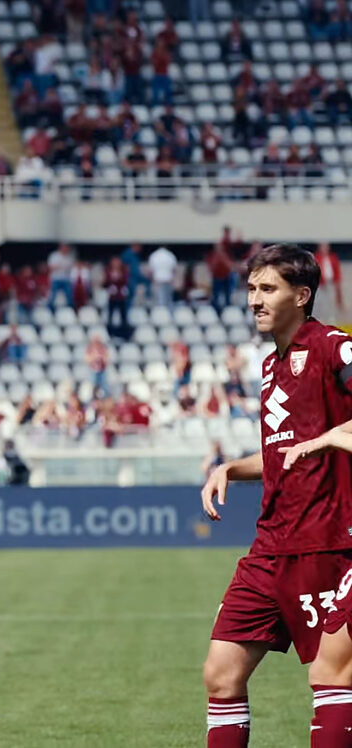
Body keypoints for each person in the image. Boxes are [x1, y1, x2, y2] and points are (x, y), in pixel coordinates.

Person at [199, 244, 352, 747]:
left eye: (268, 289)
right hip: (270, 549)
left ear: (302, 295)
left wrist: (332, 436)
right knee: (221, 673)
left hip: (328, 543)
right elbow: (281, 454)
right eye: (251, 289)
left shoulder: (333, 346)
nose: (254, 300)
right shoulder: (271, 366)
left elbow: (321, 441)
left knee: (331, 676)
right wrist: (229, 468)